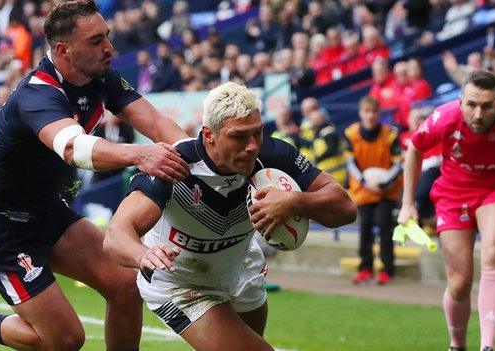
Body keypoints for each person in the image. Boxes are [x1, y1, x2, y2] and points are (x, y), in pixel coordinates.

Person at [0, 1, 189, 350]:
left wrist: (194, 156)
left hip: (47, 213)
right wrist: (142, 154)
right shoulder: (37, 93)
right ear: (63, 50)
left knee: (128, 284)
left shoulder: (101, 77)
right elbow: (73, 148)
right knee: (67, 340)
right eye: (96, 40)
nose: (109, 48)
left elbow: (157, 123)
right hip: (1, 230)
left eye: (108, 36)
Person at [104, 82, 356, 350]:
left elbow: (345, 208)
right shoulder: (175, 165)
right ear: (209, 134)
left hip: (241, 269)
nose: (251, 146)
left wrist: (294, 201)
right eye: (238, 137)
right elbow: (115, 235)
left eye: (257, 133)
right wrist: (142, 254)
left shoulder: (271, 153)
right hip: (179, 283)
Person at [398, 70, 495, 351]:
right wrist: (407, 204)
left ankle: (488, 346)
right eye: (472, 105)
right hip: (453, 194)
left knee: (492, 253)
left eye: (487, 106)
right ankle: (457, 345)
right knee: (460, 283)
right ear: (461, 102)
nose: (478, 114)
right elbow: (414, 149)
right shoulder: (444, 118)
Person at [344, 96, 402, 285]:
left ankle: (387, 269)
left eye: (374, 112)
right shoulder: (351, 134)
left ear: (379, 114)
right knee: (365, 228)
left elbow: (397, 164)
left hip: (386, 190)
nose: (370, 116)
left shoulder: (390, 134)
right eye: (366, 111)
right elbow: (351, 163)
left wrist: (383, 182)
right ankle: (365, 268)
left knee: (385, 226)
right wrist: (364, 181)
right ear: (361, 113)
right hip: (363, 189)